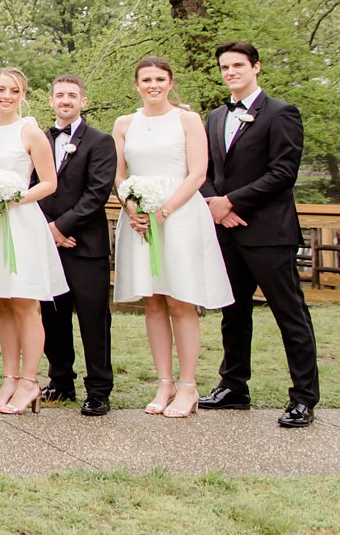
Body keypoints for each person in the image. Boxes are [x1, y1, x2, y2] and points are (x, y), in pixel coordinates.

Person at [199, 42, 318, 428]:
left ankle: (303, 397)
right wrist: (216, 202)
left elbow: (283, 172)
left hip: (268, 232)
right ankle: (234, 385)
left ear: (256, 68)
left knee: (290, 313)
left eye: (237, 65)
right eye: (224, 67)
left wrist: (232, 202)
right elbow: (204, 172)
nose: (230, 72)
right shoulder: (215, 117)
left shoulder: (282, 113)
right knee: (232, 312)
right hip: (227, 232)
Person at [113, 56, 234, 420]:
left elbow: (197, 173)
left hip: (179, 214)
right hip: (139, 217)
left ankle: (188, 385)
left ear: (170, 82)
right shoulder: (124, 123)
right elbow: (118, 175)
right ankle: (163, 382)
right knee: (152, 300)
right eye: (146, 79)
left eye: (160, 79)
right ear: (136, 84)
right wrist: (131, 205)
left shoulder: (187, 119)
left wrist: (163, 211)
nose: (153, 85)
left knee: (180, 300)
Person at [0, 67, 65, 416]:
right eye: (1, 89)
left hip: (20, 221)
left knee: (25, 303)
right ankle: (8, 377)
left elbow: (49, 182)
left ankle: (30, 380)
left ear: (23, 95)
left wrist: (13, 199)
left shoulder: (31, 132)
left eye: (14, 90)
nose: (7, 96)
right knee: (2, 304)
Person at [36, 74, 117, 416]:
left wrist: (62, 226)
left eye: (72, 95)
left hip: (85, 243)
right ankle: (60, 380)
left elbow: (97, 193)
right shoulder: (38, 139)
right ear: (51, 101)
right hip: (45, 242)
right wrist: (46, 229)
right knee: (53, 317)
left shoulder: (101, 141)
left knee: (92, 318)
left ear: (83, 101)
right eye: (59, 95)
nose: (65, 100)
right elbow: (27, 186)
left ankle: (98, 388)